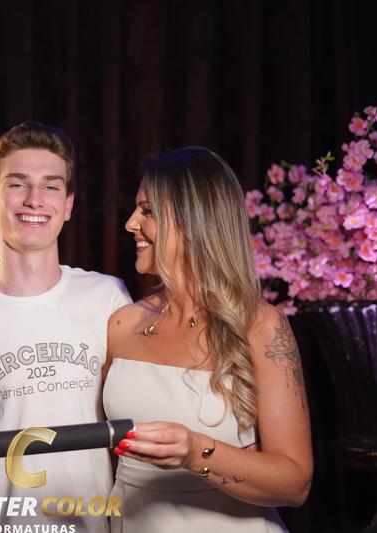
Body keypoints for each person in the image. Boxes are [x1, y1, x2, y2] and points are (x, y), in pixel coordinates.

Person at [0, 122, 131, 531]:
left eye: (51, 186)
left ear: (68, 205)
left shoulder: (107, 297)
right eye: (18, 184)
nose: (34, 199)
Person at [103, 147, 312, 532]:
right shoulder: (122, 324)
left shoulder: (261, 325)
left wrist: (195, 451)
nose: (130, 223)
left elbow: (295, 483)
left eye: (147, 211)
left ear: (192, 221)